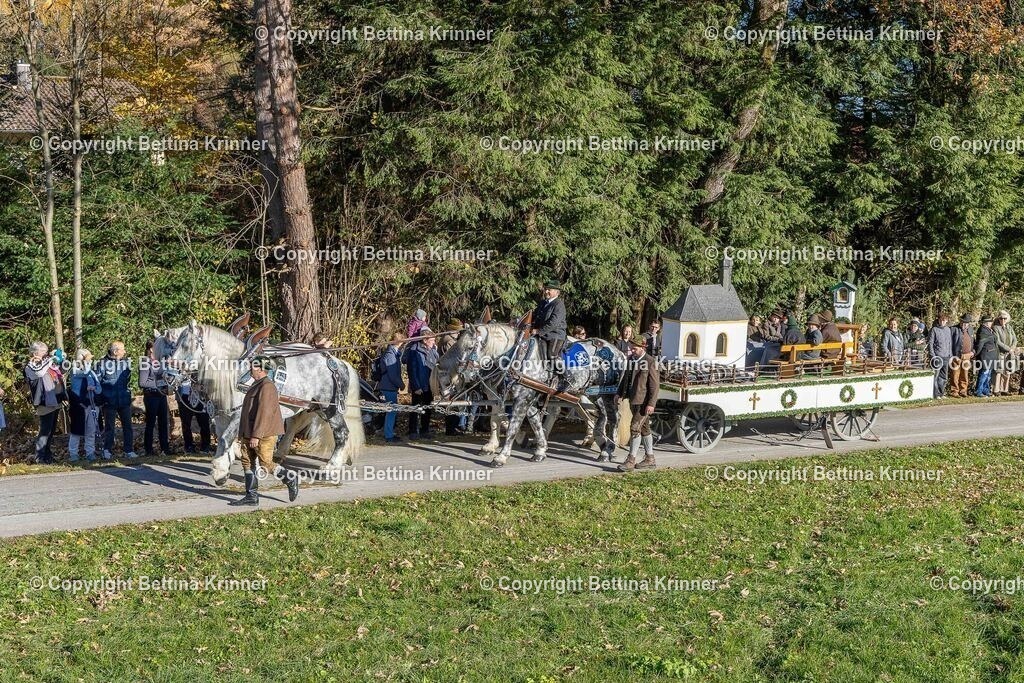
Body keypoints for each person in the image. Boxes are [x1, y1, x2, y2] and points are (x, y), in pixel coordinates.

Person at [229, 356, 297, 506]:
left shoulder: (267, 386)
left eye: (252, 367)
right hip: (249, 432)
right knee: (247, 461)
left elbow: (264, 413)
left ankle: (290, 478)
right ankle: (251, 497)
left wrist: (256, 436)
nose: (250, 370)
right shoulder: (256, 384)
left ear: (260, 369)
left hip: (263, 434)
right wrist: (243, 434)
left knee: (265, 463)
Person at [617, 337, 659, 472]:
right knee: (645, 429)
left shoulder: (650, 362)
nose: (631, 350)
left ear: (643, 348)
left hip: (643, 402)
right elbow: (625, 379)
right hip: (632, 400)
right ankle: (650, 459)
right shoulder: (631, 360)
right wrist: (620, 393)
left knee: (635, 428)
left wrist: (651, 404)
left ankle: (631, 460)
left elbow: (654, 386)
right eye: (631, 348)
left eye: (634, 348)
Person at [24, 341, 64, 464]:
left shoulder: (45, 363)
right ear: (35, 352)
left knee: (51, 430)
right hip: (43, 401)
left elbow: (61, 370)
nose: (45, 353)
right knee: (45, 430)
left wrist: (61, 358)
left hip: (54, 400)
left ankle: (47, 455)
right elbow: (39, 372)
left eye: (46, 351)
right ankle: (39, 457)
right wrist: (50, 359)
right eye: (43, 351)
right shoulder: (31, 365)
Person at [97, 341, 136, 460]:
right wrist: (101, 399)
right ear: (115, 351)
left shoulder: (126, 363)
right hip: (109, 401)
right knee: (110, 428)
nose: (124, 351)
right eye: (122, 349)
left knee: (128, 426)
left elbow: (128, 380)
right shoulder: (102, 364)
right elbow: (97, 382)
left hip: (124, 400)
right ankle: (107, 450)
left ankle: (128, 450)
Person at [68, 349, 102, 462]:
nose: (90, 360)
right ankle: (73, 454)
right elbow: (85, 372)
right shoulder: (74, 370)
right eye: (88, 358)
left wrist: (94, 388)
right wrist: (86, 362)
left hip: (92, 405)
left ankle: (90, 452)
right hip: (79, 405)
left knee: (91, 431)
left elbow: (99, 388)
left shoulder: (91, 372)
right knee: (76, 431)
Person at [403, 328, 438, 439]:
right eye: (432, 340)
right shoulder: (415, 351)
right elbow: (412, 370)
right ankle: (413, 430)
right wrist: (416, 386)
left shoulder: (433, 351)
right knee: (415, 408)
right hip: (419, 384)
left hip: (429, 385)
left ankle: (425, 430)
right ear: (425, 340)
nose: (434, 342)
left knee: (427, 408)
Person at [140, 340, 171, 456]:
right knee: (151, 423)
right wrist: (158, 384)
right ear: (151, 349)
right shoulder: (145, 362)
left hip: (161, 395)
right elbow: (142, 382)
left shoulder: (160, 361)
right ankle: (148, 449)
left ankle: (165, 449)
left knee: (164, 423)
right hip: (151, 396)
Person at [373, 331, 406, 444]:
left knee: (392, 410)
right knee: (391, 411)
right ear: (399, 343)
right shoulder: (390, 355)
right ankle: (388, 435)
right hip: (388, 386)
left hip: (390, 386)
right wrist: (401, 385)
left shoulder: (393, 353)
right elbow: (392, 374)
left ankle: (389, 432)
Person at [530, 280, 568, 368]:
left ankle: (565, 376)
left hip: (555, 335)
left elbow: (553, 323)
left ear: (557, 292)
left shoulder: (559, 304)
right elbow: (534, 315)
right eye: (546, 289)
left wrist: (538, 331)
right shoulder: (543, 303)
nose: (546, 291)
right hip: (542, 335)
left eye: (549, 290)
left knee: (552, 356)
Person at [177, 378, 212, 453]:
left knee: (204, 422)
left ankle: (205, 446)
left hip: (200, 396)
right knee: (186, 423)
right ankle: (189, 446)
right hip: (184, 396)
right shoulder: (179, 367)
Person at [949, 314, 975, 398]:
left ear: (968, 324)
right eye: (963, 322)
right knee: (955, 374)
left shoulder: (971, 330)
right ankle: (954, 391)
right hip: (956, 355)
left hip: (967, 355)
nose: (964, 324)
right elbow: (950, 343)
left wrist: (973, 352)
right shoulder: (953, 329)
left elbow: (973, 342)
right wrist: (952, 355)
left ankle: (963, 390)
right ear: (960, 321)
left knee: (965, 374)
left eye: (966, 323)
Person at [928, 313, 953, 399]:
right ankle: (936, 394)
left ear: (946, 321)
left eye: (944, 320)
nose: (942, 322)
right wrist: (933, 355)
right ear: (938, 320)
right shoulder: (934, 329)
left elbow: (950, 343)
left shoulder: (948, 330)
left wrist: (950, 355)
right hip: (937, 357)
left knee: (944, 377)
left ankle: (941, 393)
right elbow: (930, 343)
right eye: (941, 320)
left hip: (946, 356)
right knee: (936, 376)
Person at [993, 310, 1017, 396]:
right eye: (1001, 318)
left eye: (1004, 318)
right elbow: (998, 341)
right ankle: (996, 390)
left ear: (1007, 319)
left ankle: (1005, 389)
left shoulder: (1009, 327)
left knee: (1008, 371)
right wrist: (1008, 348)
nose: (1003, 320)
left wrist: (1013, 348)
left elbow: (1015, 339)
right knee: (999, 371)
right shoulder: (996, 328)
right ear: (998, 319)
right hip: (1001, 353)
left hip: (1010, 353)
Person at [974, 316, 997, 398]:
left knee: (988, 375)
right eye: (990, 322)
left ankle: (986, 390)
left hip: (990, 356)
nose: (991, 323)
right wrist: (975, 353)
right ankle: (979, 391)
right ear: (987, 323)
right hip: (985, 356)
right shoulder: (982, 330)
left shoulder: (988, 330)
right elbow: (980, 344)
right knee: (984, 374)